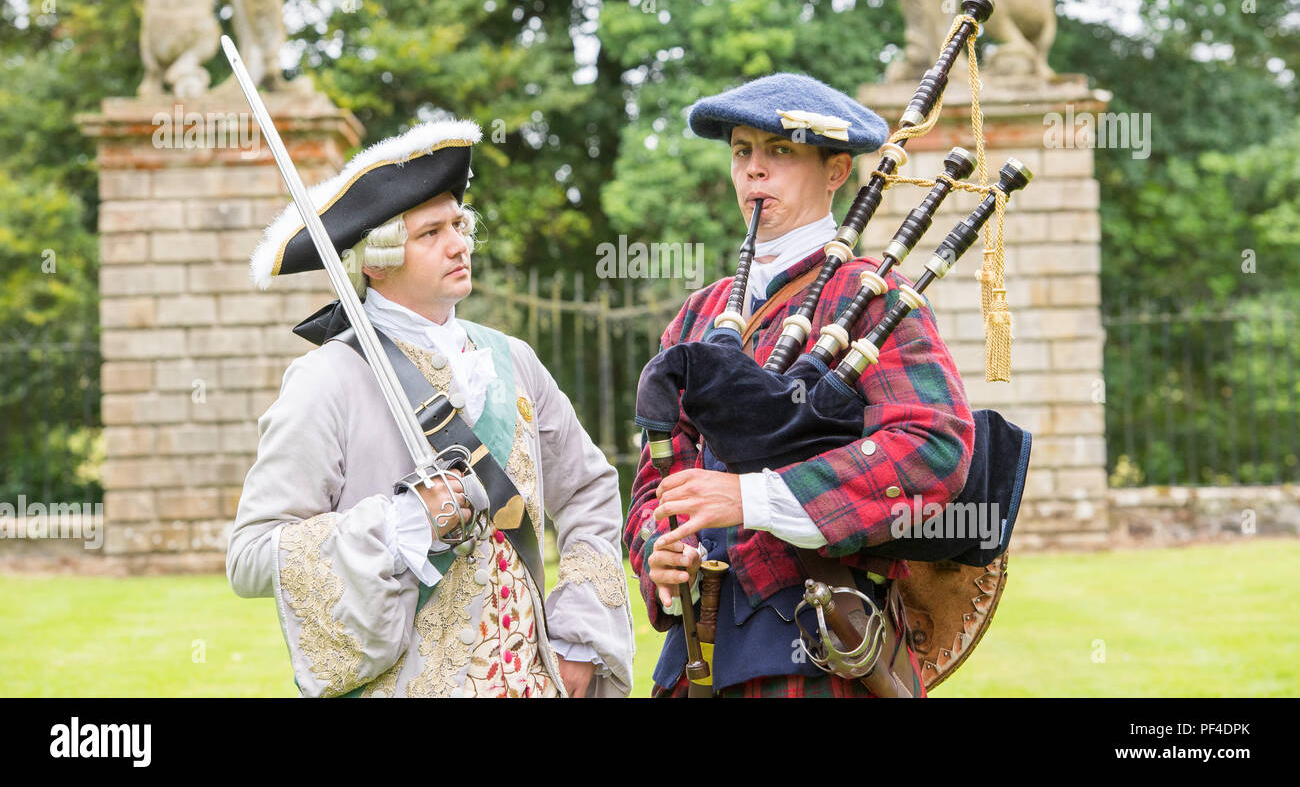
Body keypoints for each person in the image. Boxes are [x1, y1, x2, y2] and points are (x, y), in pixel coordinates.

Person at [228, 119, 633, 698]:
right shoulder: (326, 379)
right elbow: (250, 556)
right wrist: (397, 526)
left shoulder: (512, 359)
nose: (459, 243)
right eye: (430, 233)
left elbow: (590, 489)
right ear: (376, 260)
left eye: (460, 225)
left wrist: (578, 636)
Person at [624, 73, 976, 697]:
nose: (754, 171)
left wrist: (755, 497)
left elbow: (933, 447)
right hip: (697, 657)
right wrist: (658, 550)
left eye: (779, 151)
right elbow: (656, 480)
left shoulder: (873, 298)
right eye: (742, 151)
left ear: (837, 170)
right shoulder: (697, 318)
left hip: (817, 653)